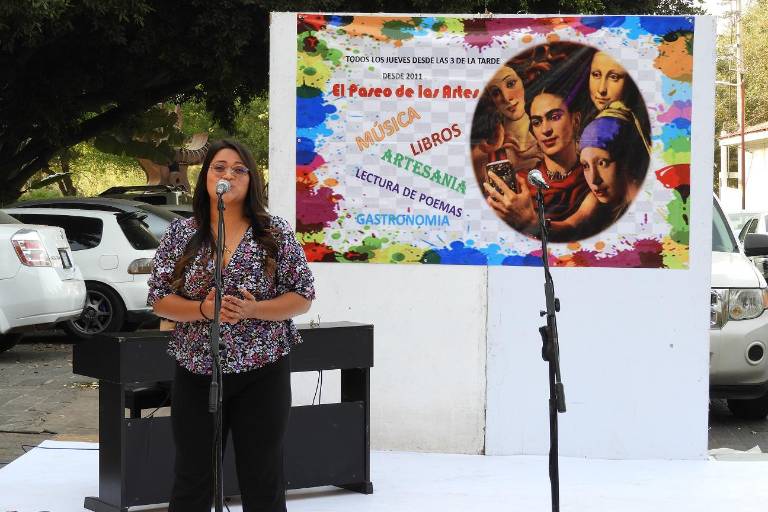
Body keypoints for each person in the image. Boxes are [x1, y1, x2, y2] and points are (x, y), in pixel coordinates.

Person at [147, 139, 315, 512]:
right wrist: (203, 310)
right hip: (198, 370)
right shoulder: (181, 233)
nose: (229, 175)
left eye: (239, 169)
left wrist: (256, 309)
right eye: (219, 167)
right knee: (193, 476)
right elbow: (159, 298)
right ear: (206, 177)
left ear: (251, 179)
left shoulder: (274, 232)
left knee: (263, 475)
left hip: (263, 370)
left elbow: (302, 296)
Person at [470, 64, 542, 186]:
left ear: (524, 82)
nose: (507, 98)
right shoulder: (485, 153)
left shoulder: (547, 139)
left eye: (510, 84)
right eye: (496, 93)